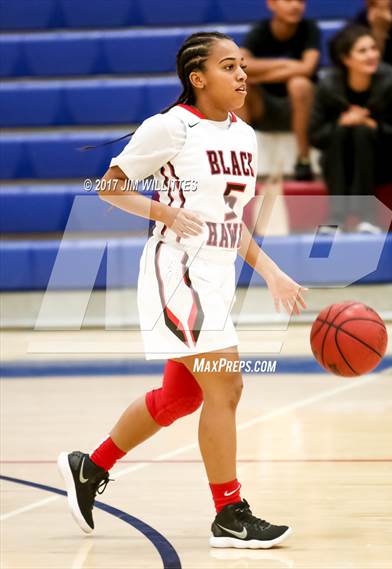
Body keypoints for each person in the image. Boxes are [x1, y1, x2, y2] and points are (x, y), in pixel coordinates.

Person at [57, 31, 306, 549]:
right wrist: (163, 211)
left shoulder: (246, 135)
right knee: (227, 386)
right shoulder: (171, 127)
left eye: (242, 67)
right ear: (199, 78)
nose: (241, 75)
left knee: (181, 395)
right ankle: (229, 514)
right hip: (177, 271)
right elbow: (109, 186)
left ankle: (90, 465)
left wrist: (271, 270)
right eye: (229, 66)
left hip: (216, 274)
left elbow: (231, 221)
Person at [309, 25, 392, 232]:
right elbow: (315, 136)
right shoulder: (328, 85)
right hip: (339, 160)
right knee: (342, 131)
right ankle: (336, 220)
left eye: (373, 48)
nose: (372, 55)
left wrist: (375, 126)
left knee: (362, 131)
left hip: (384, 161)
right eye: (363, 51)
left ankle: (367, 218)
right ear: (346, 59)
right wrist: (341, 123)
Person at [240, 0, 321, 181]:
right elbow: (241, 64)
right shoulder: (260, 30)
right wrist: (285, 63)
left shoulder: (309, 29)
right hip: (264, 108)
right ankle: (241, 158)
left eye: (300, 1)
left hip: (302, 110)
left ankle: (303, 159)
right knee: (240, 86)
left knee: (299, 84)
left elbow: (307, 68)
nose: (295, 6)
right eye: (288, 0)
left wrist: (260, 76)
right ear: (271, 4)